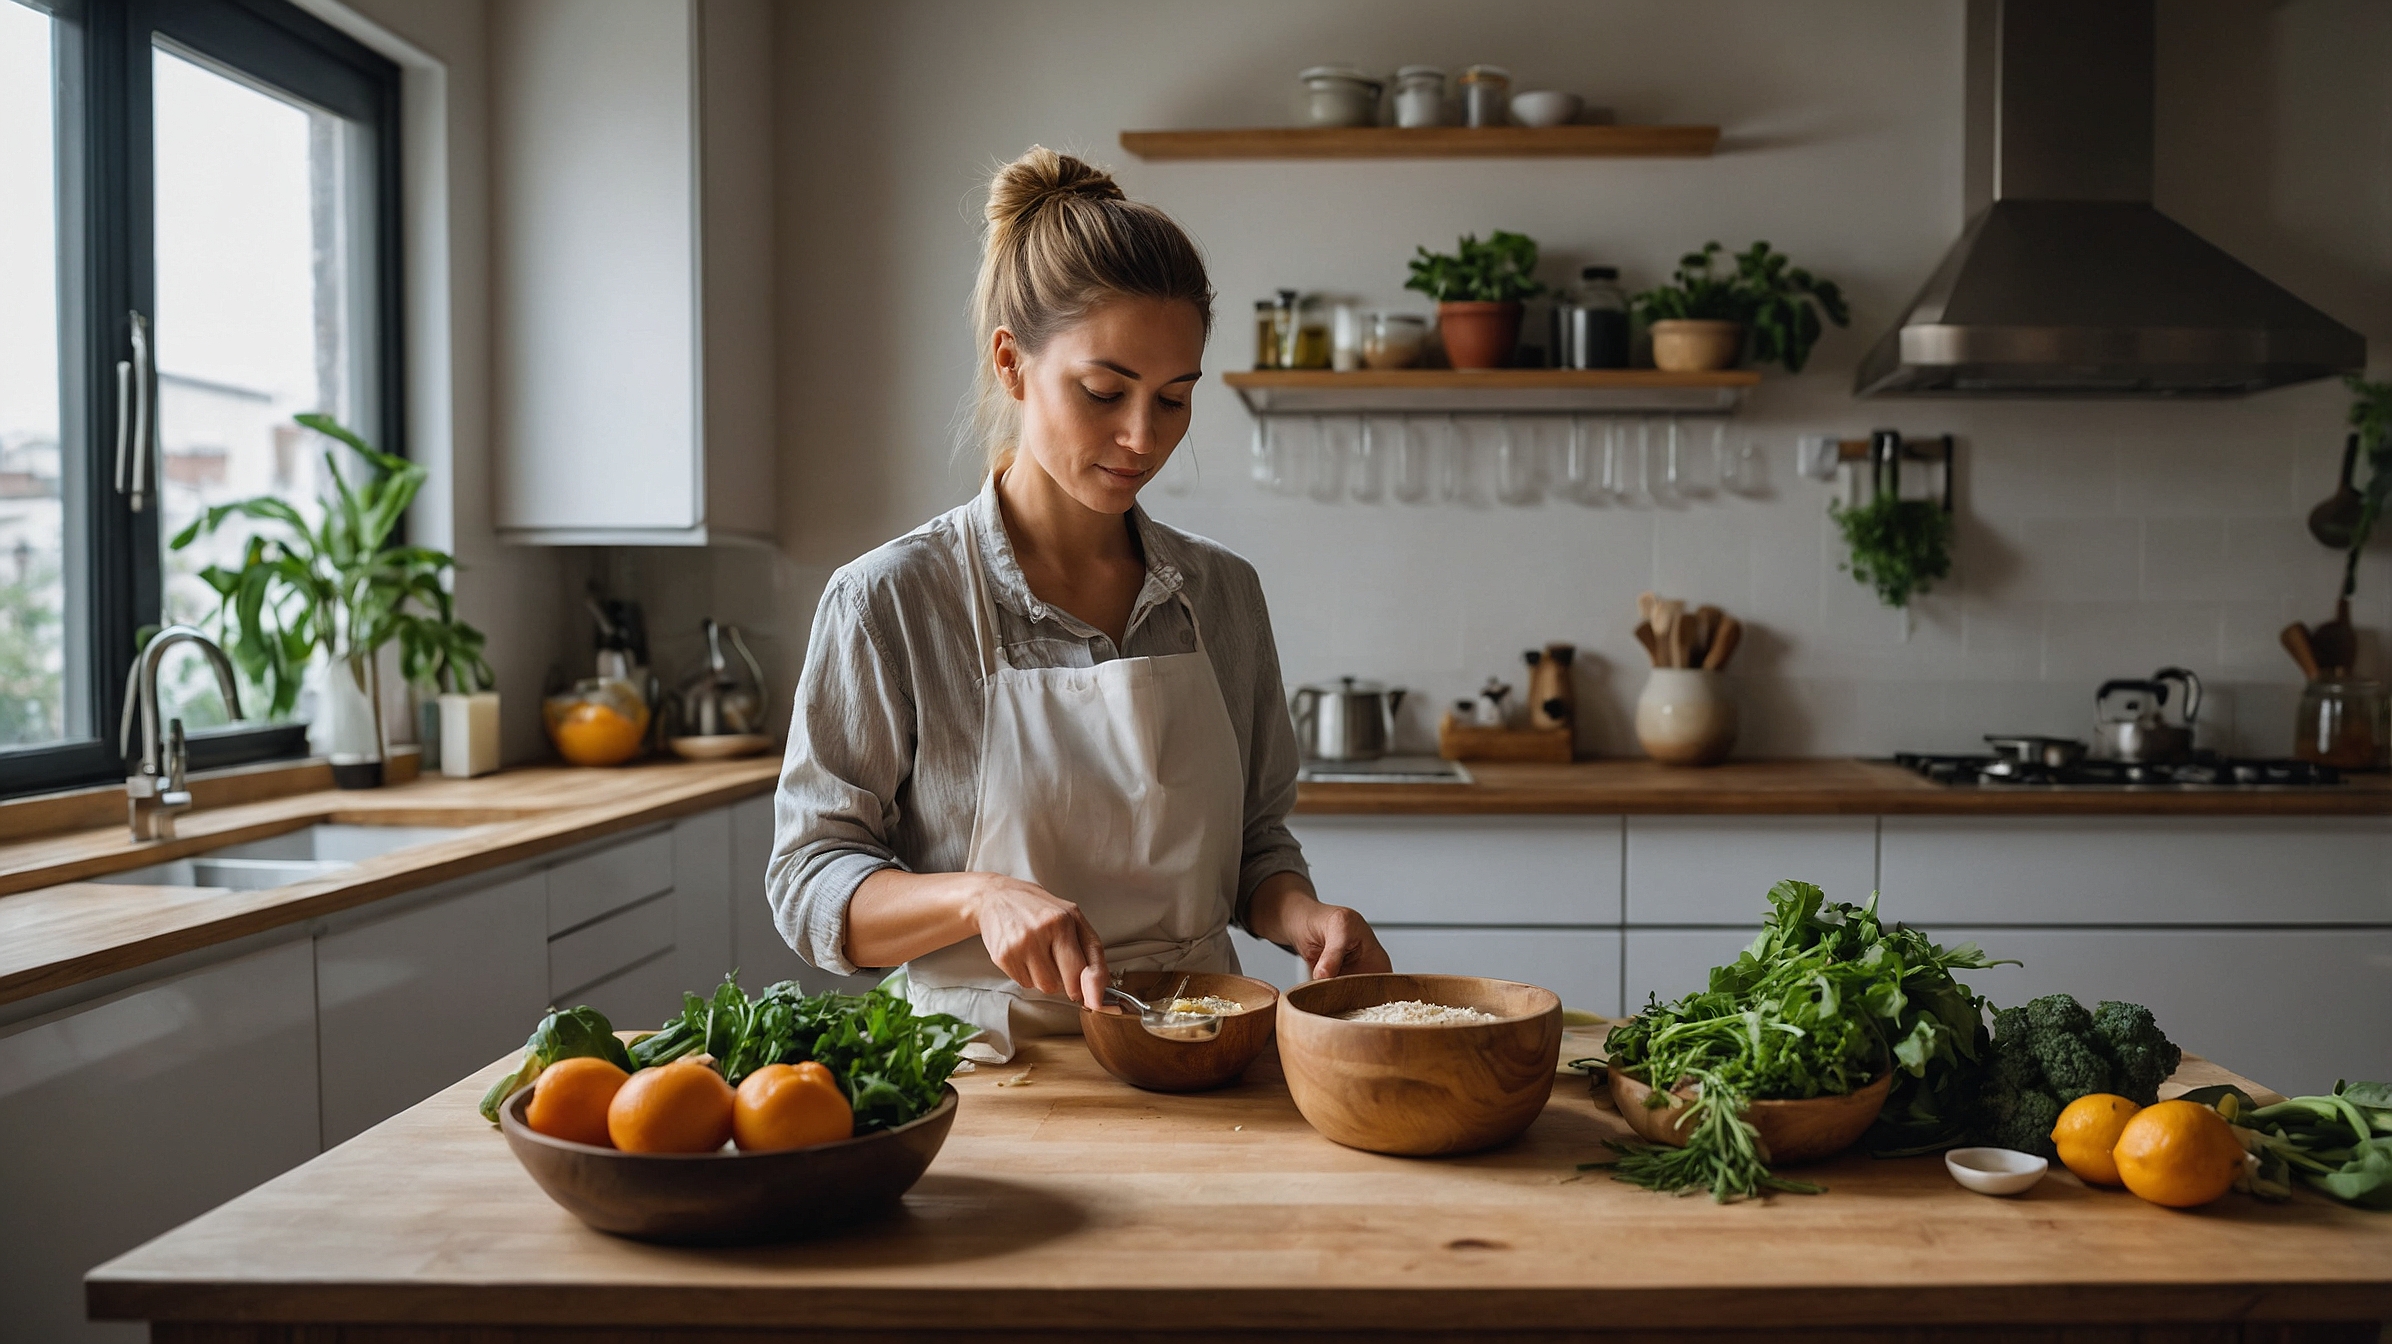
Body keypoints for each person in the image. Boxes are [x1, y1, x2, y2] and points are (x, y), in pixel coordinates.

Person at [767, 147, 1389, 1060]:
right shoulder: (891, 601)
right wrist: (978, 897)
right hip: (978, 1071)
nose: (1143, 438)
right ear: (1013, 365)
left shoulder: (1222, 596)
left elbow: (1255, 843)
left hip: (1201, 1056)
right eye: (1104, 392)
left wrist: (1302, 913)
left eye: (1175, 400)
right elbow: (811, 883)